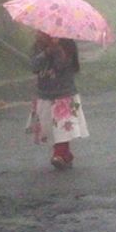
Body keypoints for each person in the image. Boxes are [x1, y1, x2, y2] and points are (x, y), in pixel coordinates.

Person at [26, 31, 89, 170]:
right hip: (45, 94)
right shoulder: (38, 46)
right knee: (49, 127)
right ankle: (65, 154)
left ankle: (59, 154)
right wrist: (46, 52)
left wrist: (57, 49)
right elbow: (34, 66)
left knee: (62, 127)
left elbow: (63, 65)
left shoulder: (67, 44)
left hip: (64, 94)